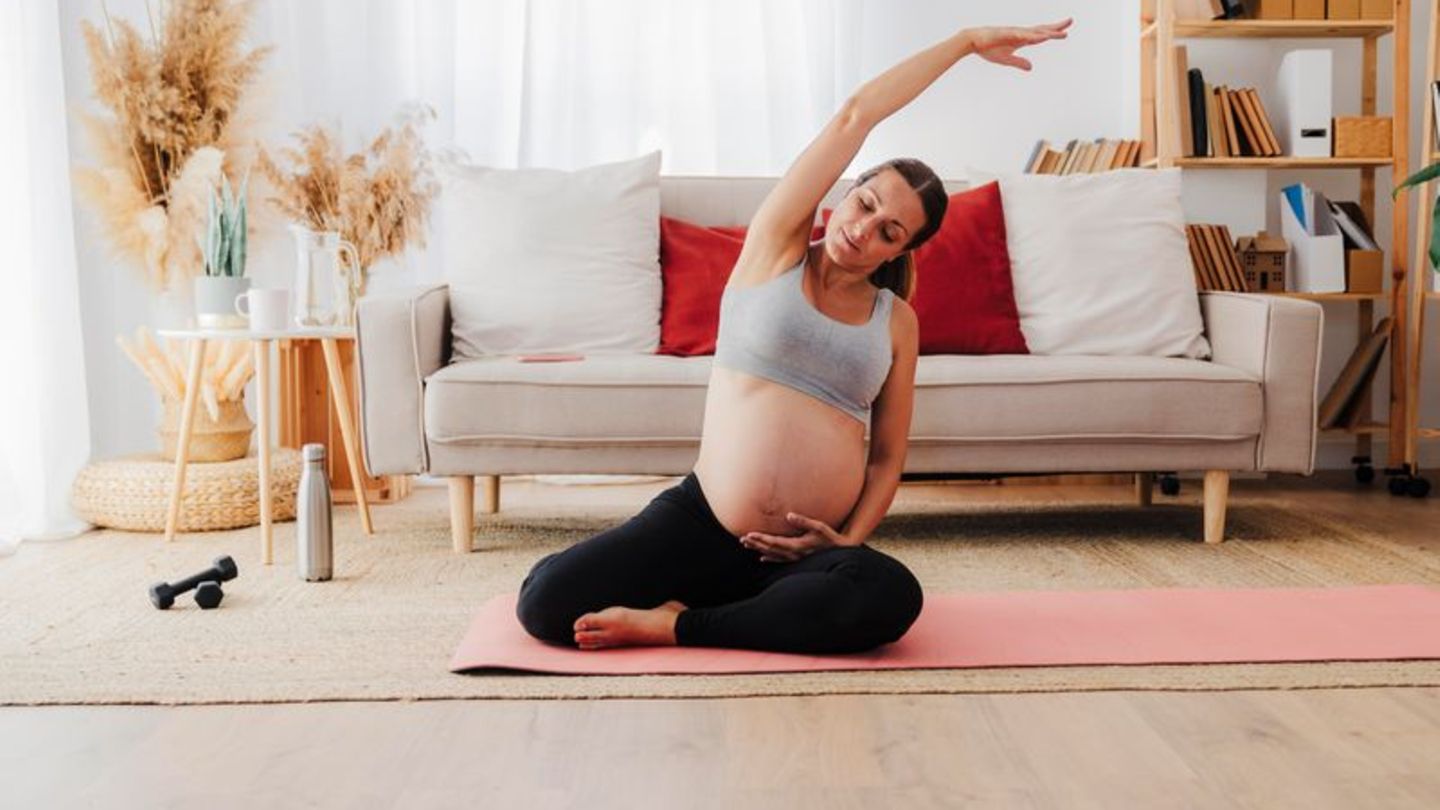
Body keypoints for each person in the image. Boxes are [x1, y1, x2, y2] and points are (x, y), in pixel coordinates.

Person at [516, 18, 1072, 653]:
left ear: (906, 248)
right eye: (867, 205)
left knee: (889, 596)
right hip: (701, 524)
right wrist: (964, 44)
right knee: (544, 602)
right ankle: (741, 614)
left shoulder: (896, 321)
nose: (865, 229)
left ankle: (678, 623)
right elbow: (855, 116)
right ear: (850, 191)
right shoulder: (774, 251)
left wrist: (849, 540)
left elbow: (888, 455)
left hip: (800, 553)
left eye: (891, 231)